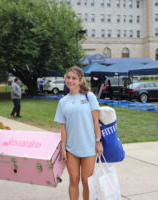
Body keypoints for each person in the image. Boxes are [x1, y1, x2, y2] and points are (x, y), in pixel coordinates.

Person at [54, 66, 103, 200]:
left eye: (74, 78)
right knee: (73, 180)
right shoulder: (63, 102)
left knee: (87, 181)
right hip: (71, 149)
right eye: (68, 77)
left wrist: (98, 141)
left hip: (89, 147)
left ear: (80, 80)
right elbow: (63, 128)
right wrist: (63, 149)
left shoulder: (89, 96)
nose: (70, 81)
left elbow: (95, 121)